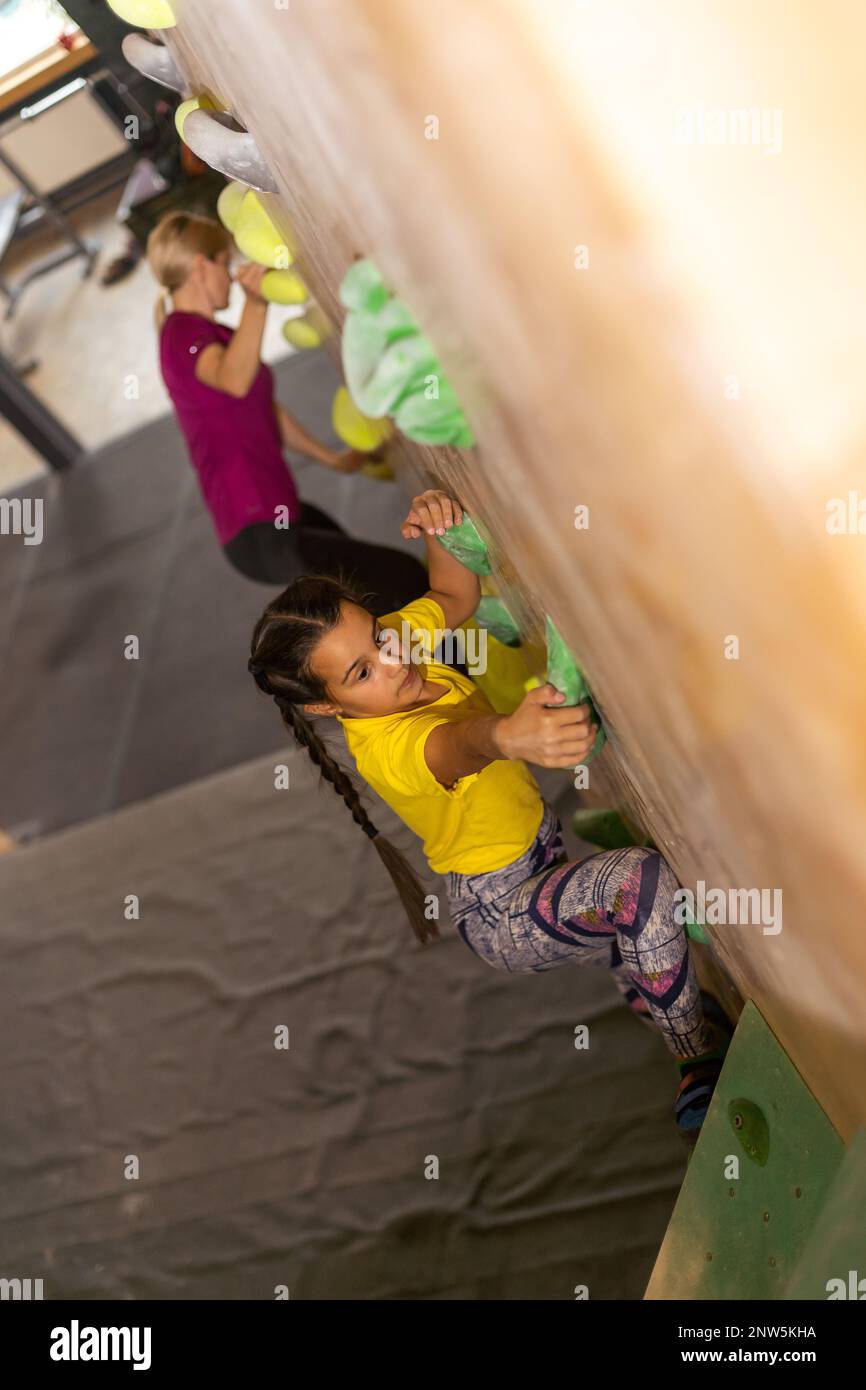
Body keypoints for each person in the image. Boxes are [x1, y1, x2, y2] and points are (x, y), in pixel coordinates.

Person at [247, 488, 733, 1143]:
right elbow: (456, 747)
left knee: (630, 946)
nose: (394, 660)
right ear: (327, 708)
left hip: (541, 855)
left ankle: (665, 997)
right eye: (363, 672)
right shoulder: (386, 751)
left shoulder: (397, 652)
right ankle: (695, 1059)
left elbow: (454, 598)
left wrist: (436, 528)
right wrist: (508, 736)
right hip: (503, 913)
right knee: (637, 884)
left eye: (381, 636)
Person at [147, 210, 428, 613]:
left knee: (365, 593)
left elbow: (265, 411)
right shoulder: (181, 333)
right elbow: (234, 380)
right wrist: (256, 304)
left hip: (281, 516)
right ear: (200, 266)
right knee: (403, 579)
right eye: (225, 263)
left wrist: (332, 460)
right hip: (258, 532)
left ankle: (417, 666)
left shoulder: (219, 335)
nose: (230, 275)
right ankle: (437, 671)